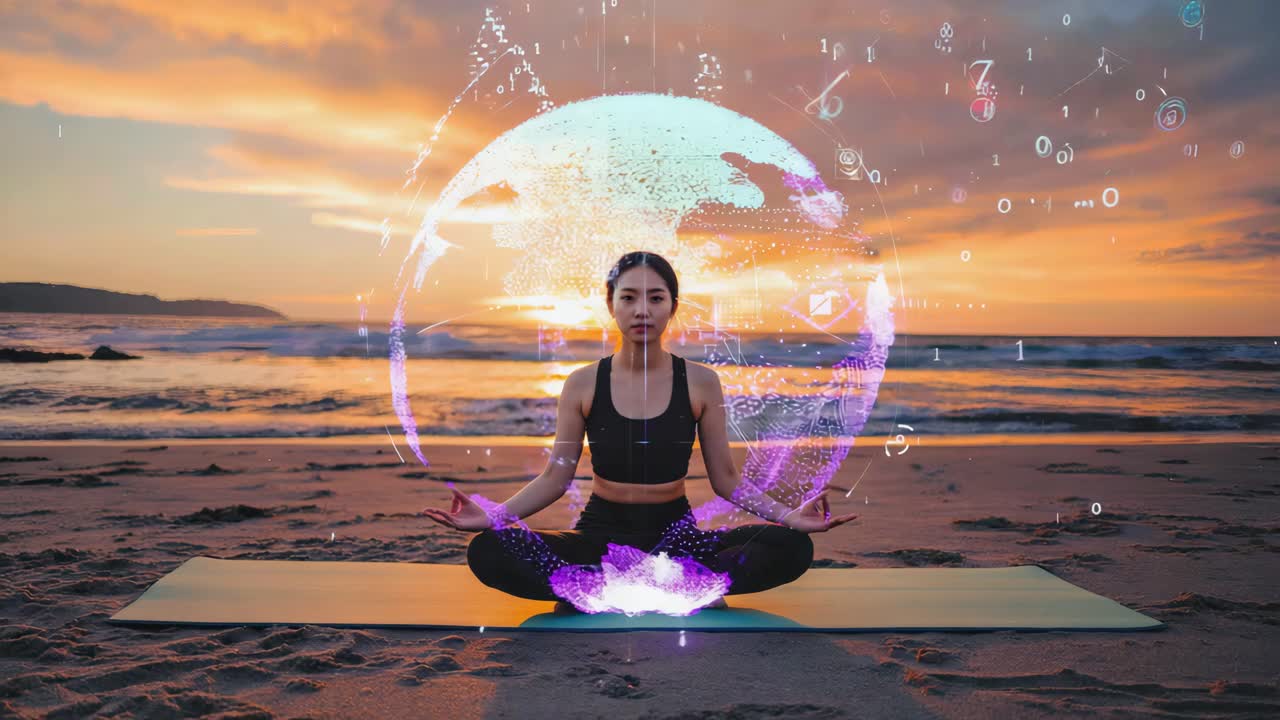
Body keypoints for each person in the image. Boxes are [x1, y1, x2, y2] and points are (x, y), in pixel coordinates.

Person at [422, 251, 858, 610]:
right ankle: (665, 587)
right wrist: (493, 516)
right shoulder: (582, 382)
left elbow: (726, 480)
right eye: (629, 298)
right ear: (611, 304)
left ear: (672, 305)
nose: (642, 310)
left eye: (656, 298)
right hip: (599, 537)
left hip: (679, 539)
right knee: (488, 551)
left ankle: (603, 589)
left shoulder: (702, 382)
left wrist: (788, 516)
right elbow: (555, 478)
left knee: (791, 547)